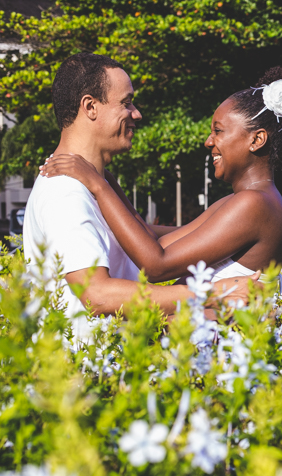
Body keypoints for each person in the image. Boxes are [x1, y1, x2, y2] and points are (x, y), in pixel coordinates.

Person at [24, 53, 257, 342]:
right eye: (126, 103)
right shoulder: (65, 190)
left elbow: (145, 240)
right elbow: (96, 294)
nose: (137, 114)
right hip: (87, 378)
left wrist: (229, 232)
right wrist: (211, 293)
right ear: (90, 107)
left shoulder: (96, 184)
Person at [40, 66, 282, 292]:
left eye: (218, 131)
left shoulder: (254, 205)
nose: (208, 141)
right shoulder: (241, 200)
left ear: (256, 139)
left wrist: (97, 185)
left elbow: (156, 264)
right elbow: (152, 238)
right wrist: (107, 180)